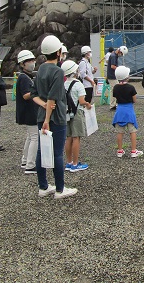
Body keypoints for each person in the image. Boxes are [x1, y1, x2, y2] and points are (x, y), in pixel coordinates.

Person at [31, 35, 77, 199]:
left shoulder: (41, 69)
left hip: (42, 114)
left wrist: (43, 107)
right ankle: (60, 189)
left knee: (41, 151)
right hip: (55, 117)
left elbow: (34, 95)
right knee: (57, 153)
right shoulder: (58, 71)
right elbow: (52, 98)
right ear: (58, 52)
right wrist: (47, 119)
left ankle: (43, 186)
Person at [62, 60, 92, 172]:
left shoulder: (64, 84)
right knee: (76, 137)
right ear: (74, 72)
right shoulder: (78, 84)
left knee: (68, 137)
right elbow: (81, 100)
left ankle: (69, 162)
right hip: (77, 112)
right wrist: (88, 104)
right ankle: (75, 164)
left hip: (66, 113)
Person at [16, 50, 39, 173]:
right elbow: (26, 95)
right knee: (35, 137)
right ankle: (30, 165)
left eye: (32, 60)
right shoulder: (24, 78)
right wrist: (38, 91)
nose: (32, 63)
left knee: (30, 137)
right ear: (22, 64)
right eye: (29, 61)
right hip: (30, 112)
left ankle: (25, 160)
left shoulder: (25, 77)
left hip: (28, 111)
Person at [112, 66, 143, 158]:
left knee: (120, 132)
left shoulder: (116, 87)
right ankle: (133, 151)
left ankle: (120, 151)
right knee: (132, 131)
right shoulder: (131, 87)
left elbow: (115, 98)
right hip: (129, 110)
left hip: (120, 110)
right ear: (126, 76)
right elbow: (134, 100)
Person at [107, 46, 128, 110]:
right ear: (119, 51)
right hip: (112, 76)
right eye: (121, 53)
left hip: (112, 75)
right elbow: (112, 66)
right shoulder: (114, 56)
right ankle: (112, 105)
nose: (121, 55)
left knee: (113, 90)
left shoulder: (114, 55)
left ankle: (113, 104)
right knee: (114, 90)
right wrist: (120, 70)